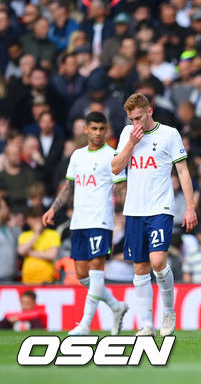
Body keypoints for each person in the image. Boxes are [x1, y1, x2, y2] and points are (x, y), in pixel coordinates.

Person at [111, 93, 197, 337]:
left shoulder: (169, 134)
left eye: (139, 117)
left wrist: (190, 206)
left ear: (150, 110)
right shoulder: (128, 134)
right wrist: (130, 144)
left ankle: (168, 311)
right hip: (134, 210)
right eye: (131, 119)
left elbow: (183, 171)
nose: (135, 123)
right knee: (139, 266)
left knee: (158, 262)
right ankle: (146, 324)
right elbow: (116, 168)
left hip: (160, 208)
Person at [42, 112, 129, 336]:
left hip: (101, 220)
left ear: (106, 130)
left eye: (102, 129)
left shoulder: (112, 156)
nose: (98, 133)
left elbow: (121, 187)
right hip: (79, 221)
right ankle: (117, 307)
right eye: (94, 128)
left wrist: (129, 211)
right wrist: (53, 208)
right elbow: (69, 187)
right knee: (82, 276)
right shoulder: (77, 156)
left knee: (96, 270)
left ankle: (85, 325)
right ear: (86, 130)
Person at [17, 207, 60, 284]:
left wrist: (30, 253)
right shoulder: (24, 235)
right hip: (28, 279)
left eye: (38, 217)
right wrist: (36, 234)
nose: (36, 220)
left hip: (47, 280)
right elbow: (21, 251)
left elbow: (51, 255)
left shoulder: (53, 234)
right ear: (27, 220)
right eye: (33, 218)